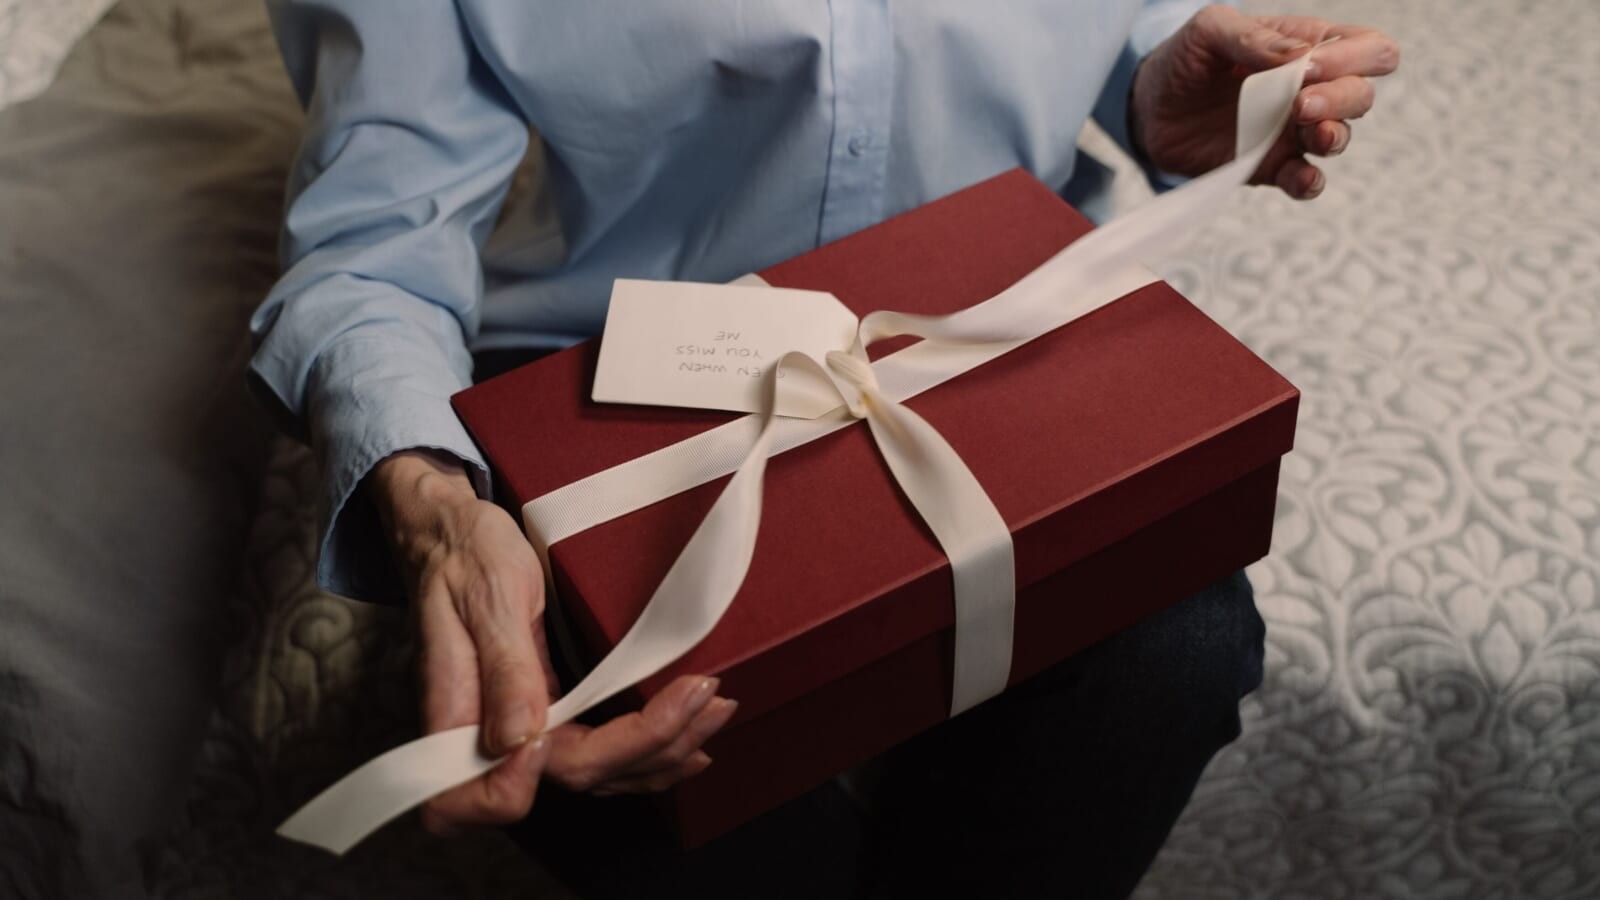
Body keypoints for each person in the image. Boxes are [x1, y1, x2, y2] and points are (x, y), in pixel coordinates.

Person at [254, 2, 1398, 896]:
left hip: (991, 319)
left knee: (1181, 644)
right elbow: (375, 247)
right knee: (572, 702)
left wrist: (1161, 85)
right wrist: (435, 514)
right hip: (612, 363)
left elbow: (1123, 18)